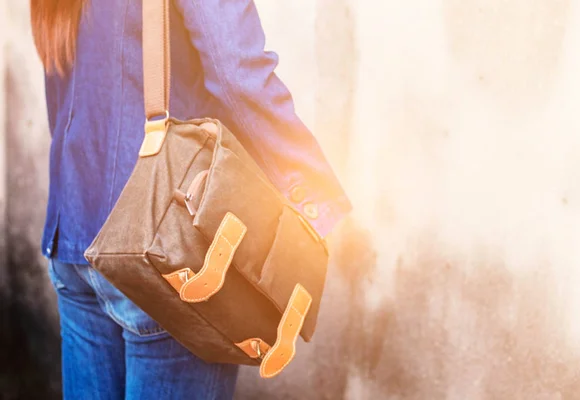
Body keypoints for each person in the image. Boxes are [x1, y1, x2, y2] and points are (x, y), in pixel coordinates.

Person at [31, 0, 351, 398]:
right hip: (166, 242)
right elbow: (236, 69)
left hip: (73, 236)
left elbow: (65, 86)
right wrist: (314, 200)